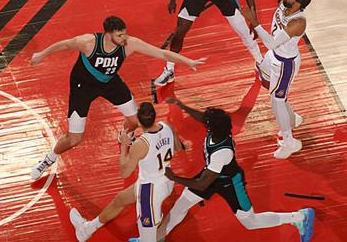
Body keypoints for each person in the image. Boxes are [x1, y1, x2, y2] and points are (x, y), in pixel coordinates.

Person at [29, 16, 204, 181]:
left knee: (135, 121)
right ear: (108, 34)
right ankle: (50, 158)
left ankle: (124, 137)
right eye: (119, 35)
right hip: (83, 87)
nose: (123, 38)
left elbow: (161, 53)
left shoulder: (129, 43)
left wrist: (188, 62)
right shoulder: (88, 42)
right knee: (75, 139)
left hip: (110, 83)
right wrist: (41, 54)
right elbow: (65, 44)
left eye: (124, 33)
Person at [161, 97, 315, 242]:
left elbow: (202, 184)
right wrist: (181, 105)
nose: (204, 120)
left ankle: (299, 217)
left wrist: (174, 177)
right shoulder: (219, 130)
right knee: (181, 206)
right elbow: (203, 118)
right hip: (212, 175)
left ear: (211, 127)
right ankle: (155, 237)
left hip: (229, 184)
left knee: (251, 222)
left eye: (207, 121)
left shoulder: (222, 152)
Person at [69, 102, 184, 241]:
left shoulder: (141, 144)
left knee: (148, 238)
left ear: (139, 122)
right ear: (154, 116)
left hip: (149, 191)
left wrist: (124, 145)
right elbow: (178, 147)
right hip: (166, 180)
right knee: (120, 199)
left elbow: (125, 172)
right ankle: (86, 230)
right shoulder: (167, 126)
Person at [245, 0, 311, 159]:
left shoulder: (298, 23)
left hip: (285, 63)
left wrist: (254, 22)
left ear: (298, 3)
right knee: (269, 88)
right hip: (273, 58)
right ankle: (292, 119)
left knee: (277, 101)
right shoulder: (285, 1)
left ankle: (289, 141)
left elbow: (272, 43)